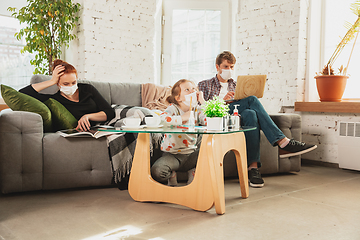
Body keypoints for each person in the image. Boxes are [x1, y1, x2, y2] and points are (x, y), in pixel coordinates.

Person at [198, 51, 317, 188]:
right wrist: (222, 101)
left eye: (231, 67)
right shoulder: (204, 85)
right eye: (225, 67)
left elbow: (244, 109)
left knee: (251, 114)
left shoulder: (237, 85)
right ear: (217, 66)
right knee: (252, 100)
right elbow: (202, 109)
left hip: (237, 118)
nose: (229, 70)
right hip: (219, 117)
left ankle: (253, 169)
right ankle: (282, 142)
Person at [19, 59, 115, 131]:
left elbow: (110, 112)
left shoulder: (87, 89)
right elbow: (22, 94)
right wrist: (52, 80)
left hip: (99, 129)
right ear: (58, 83)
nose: (71, 86)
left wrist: (87, 116)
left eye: (73, 82)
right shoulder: (54, 100)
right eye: (66, 84)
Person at [151, 79, 207, 186]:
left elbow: (210, 120)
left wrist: (203, 102)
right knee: (157, 171)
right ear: (178, 98)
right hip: (173, 155)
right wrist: (182, 118)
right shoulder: (173, 109)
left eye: (194, 89)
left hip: (192, 153)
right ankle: (172, 175)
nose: (192, 91)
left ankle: (193, 170)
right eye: (187, 89)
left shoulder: (197, 109)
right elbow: (162, 120)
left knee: (212, 153)